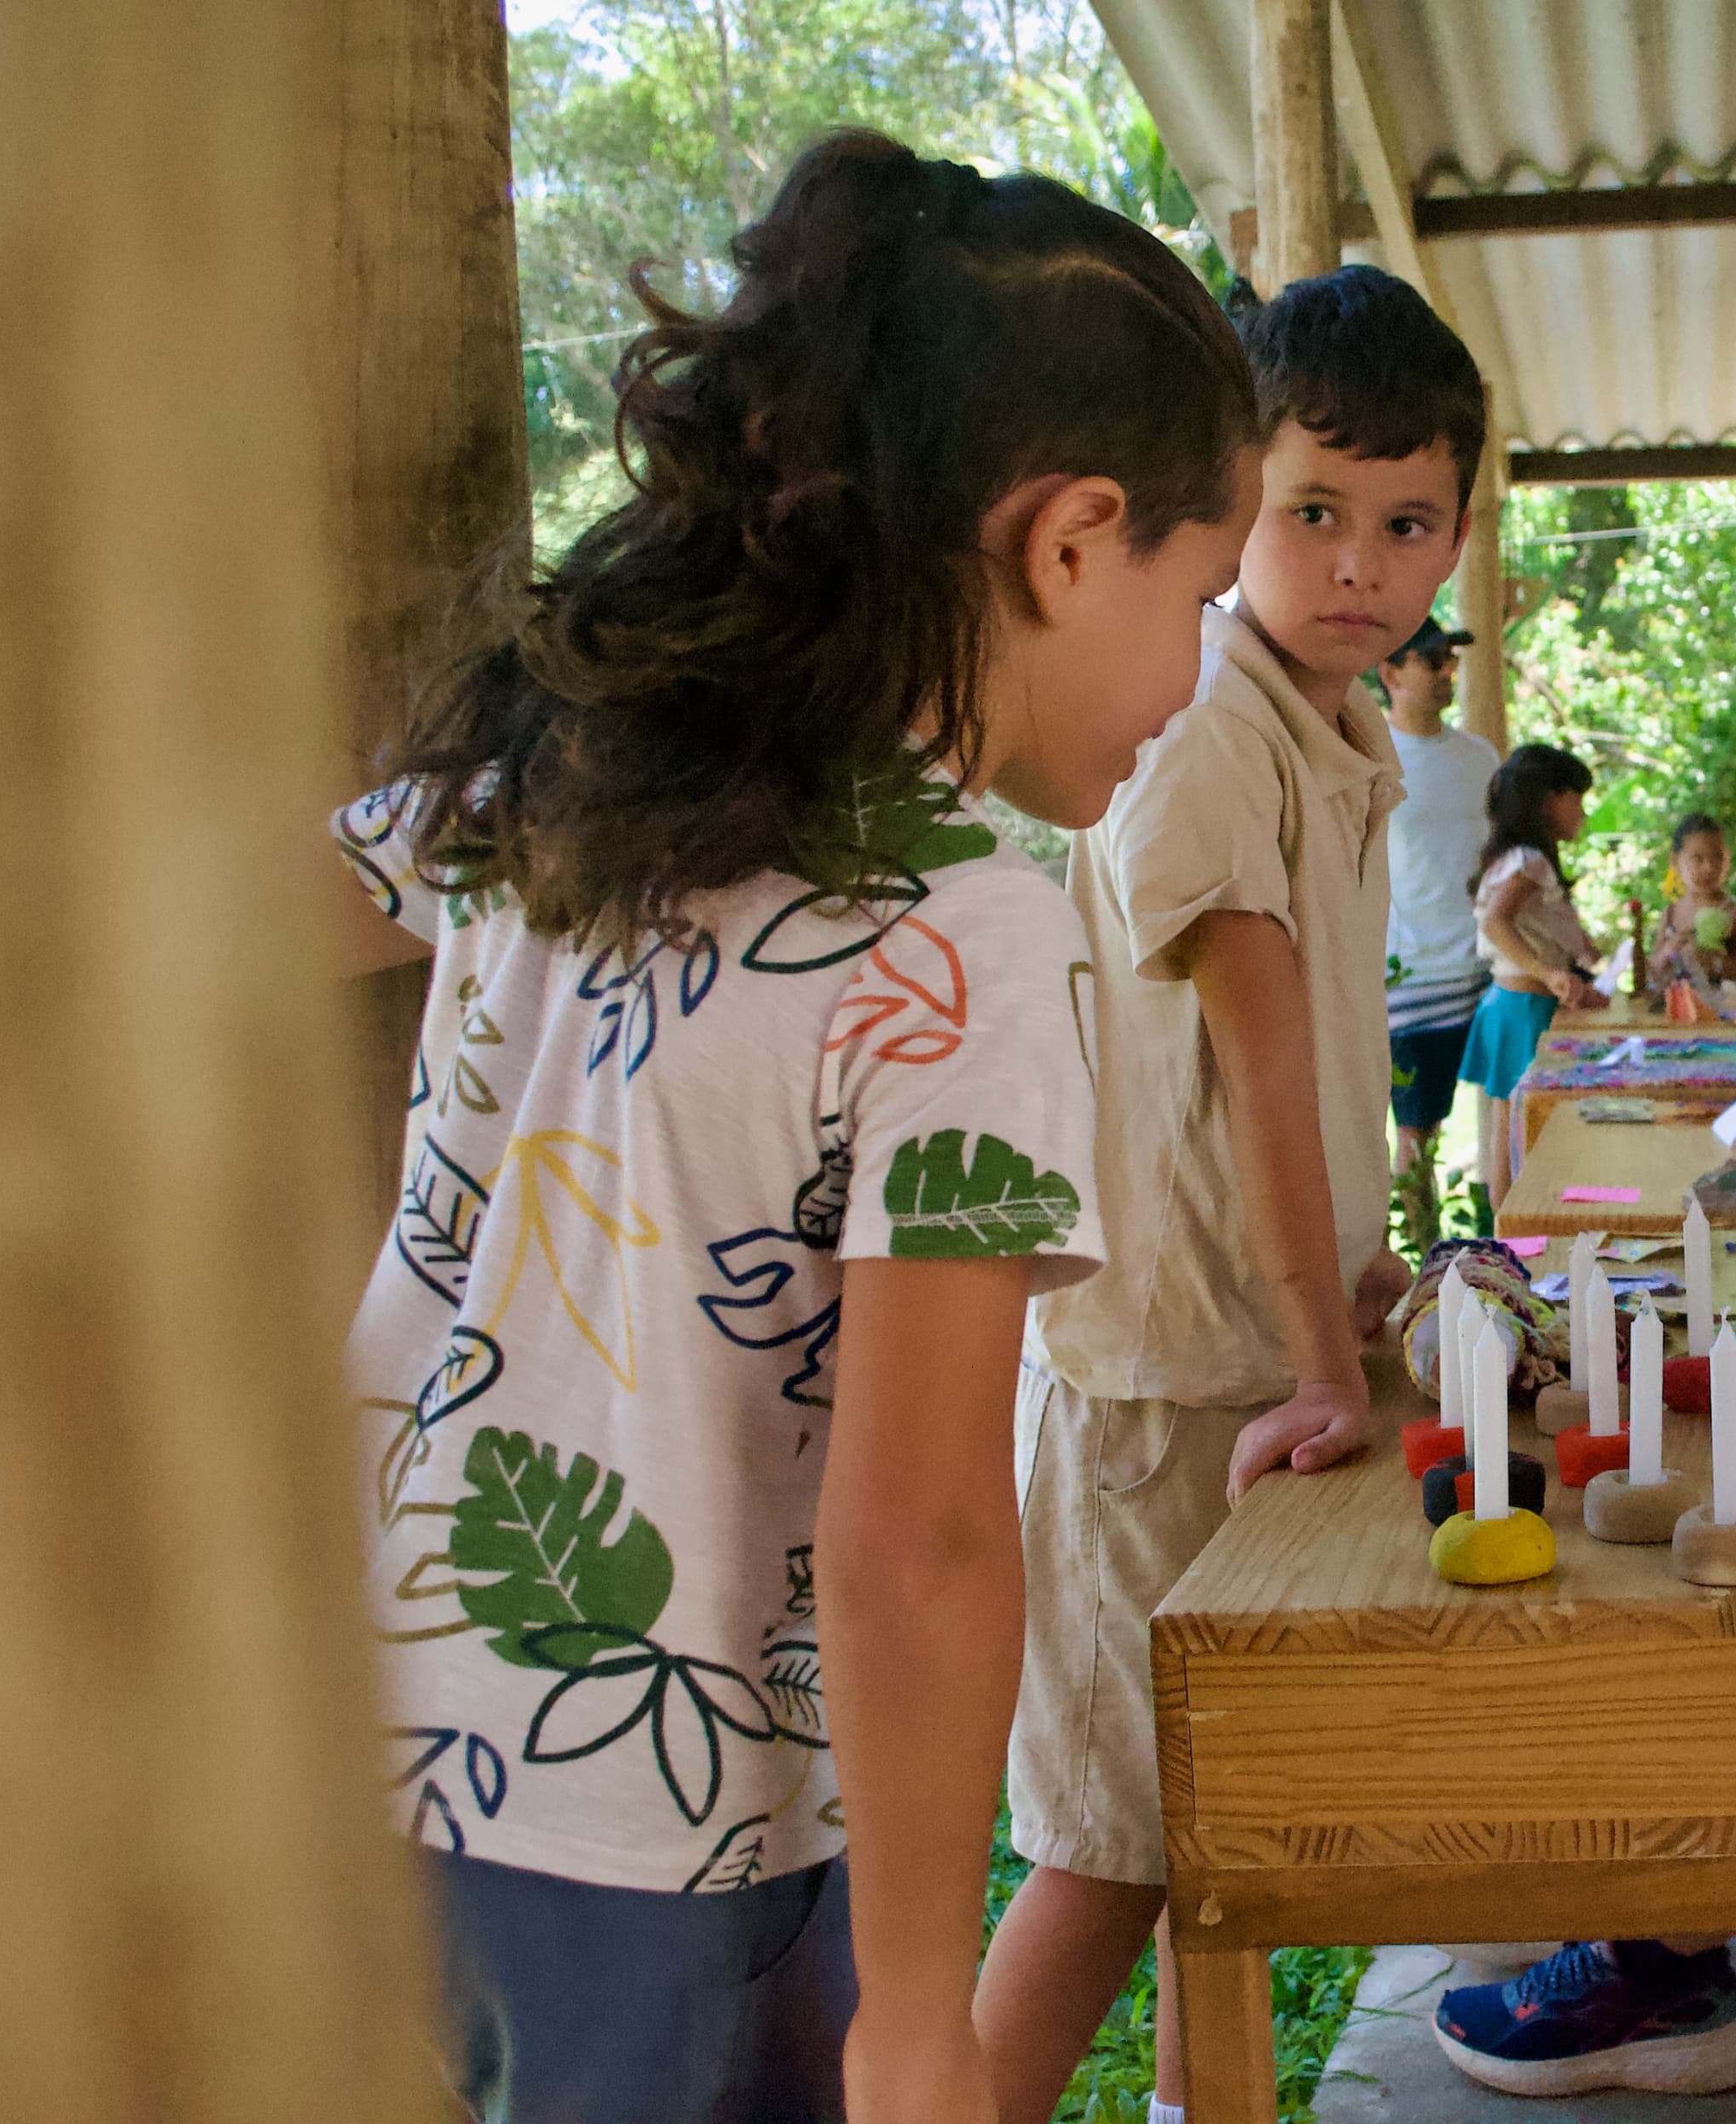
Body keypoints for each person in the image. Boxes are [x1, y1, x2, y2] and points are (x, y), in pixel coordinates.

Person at [330, 132, 1260, 2124]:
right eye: (1199, 596)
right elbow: (917, 1530)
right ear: (1071, 541)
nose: (1191, 677)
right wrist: (921, 2010)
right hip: (668, 1822)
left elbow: (252, 903)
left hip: (382, 1731)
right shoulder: (962, 928)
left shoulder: (566, 764)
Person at [980, 262, 1482, 2124]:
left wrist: (1357, 1277)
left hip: (1258, 1362)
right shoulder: (1203, 710)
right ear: (1230, 502)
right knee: (1113, 1856)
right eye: (1313, 511)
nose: (1359, 564)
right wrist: (1326, 1356)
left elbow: (1319, 1073)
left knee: (1226, 1841)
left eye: (1407, 523)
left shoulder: (1333, 724)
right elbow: (1260, 1044)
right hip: (1160, 1388)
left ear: (1459, 534)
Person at [1378, 617, 1497, 1248]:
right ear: (1390, 673)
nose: (1447, 672)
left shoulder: (1480, 758)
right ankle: (1423, 1262)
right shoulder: (1368, 756)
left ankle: (1496, 1248)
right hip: (1412, 977)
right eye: (1431, 660)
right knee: (1417, 1134)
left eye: (1450, 660)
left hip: (1488, 968)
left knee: (1505, 1111)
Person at [1456, 744, 1607, 1208]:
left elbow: (1531, 924)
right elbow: (1495, 922)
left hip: (1511, 1004)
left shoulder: (1514, 859)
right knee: (1523, 1133)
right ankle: (1519, 1231)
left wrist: (1576, 952)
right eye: (1577, 799)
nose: (1583, 813)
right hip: (1525, 1007)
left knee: (1509, 1129)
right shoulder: (1529, 862)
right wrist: (1550, 973)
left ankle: (1508, 1234)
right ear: (1549, 801)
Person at [1646, 810, 1736, 992]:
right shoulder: (1671, 914)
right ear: (1675, 860)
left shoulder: (1732, 914)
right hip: (1678, 1006)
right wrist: (1667, 952)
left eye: (1717, 857)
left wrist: (1716, 963)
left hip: (1722, 1007)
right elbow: (1653, 973)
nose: (1709, 867)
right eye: (1698, 858)